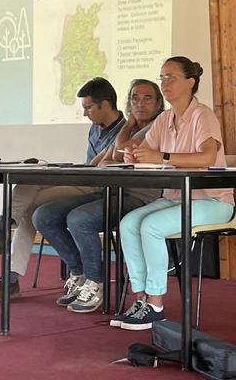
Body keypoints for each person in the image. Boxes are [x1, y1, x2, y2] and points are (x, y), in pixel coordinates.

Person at [0, 77, 125, 301]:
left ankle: (8, 268)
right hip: (83, 178)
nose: (85, 113)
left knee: (29, 210)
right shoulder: (94, 129)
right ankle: (2, 227)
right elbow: (90, 164)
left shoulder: (126, 131)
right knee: (28, 180)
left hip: (98, 189)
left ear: (104, 104)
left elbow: (101, 167)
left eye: (88, 108)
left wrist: (87, 169)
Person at [112, 56, 234, 331]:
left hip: (213, 201)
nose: (165, 83)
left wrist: (161, 156)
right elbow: (146, 152)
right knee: (128, 223)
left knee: (152, 227)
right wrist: (136, 154)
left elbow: (206, 157)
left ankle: (155, 303)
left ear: (190, 82)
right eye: (162, 77)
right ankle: (141, 296)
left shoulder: (203, 115)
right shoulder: (165, 118)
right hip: (175, 197)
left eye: (171, 77)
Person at [32, 79, 165, 312]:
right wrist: (129, 126)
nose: (140, 104)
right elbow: (114, 153)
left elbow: (122, 149)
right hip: (110, 192)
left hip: (138, 198)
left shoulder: (158, 125)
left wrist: (127, 126)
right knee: (44, 215)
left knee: (80, 219)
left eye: (147, 98)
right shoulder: (131, 127)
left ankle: (96, 281)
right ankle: (79, 273)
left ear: (158, 104)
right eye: (135, 98)